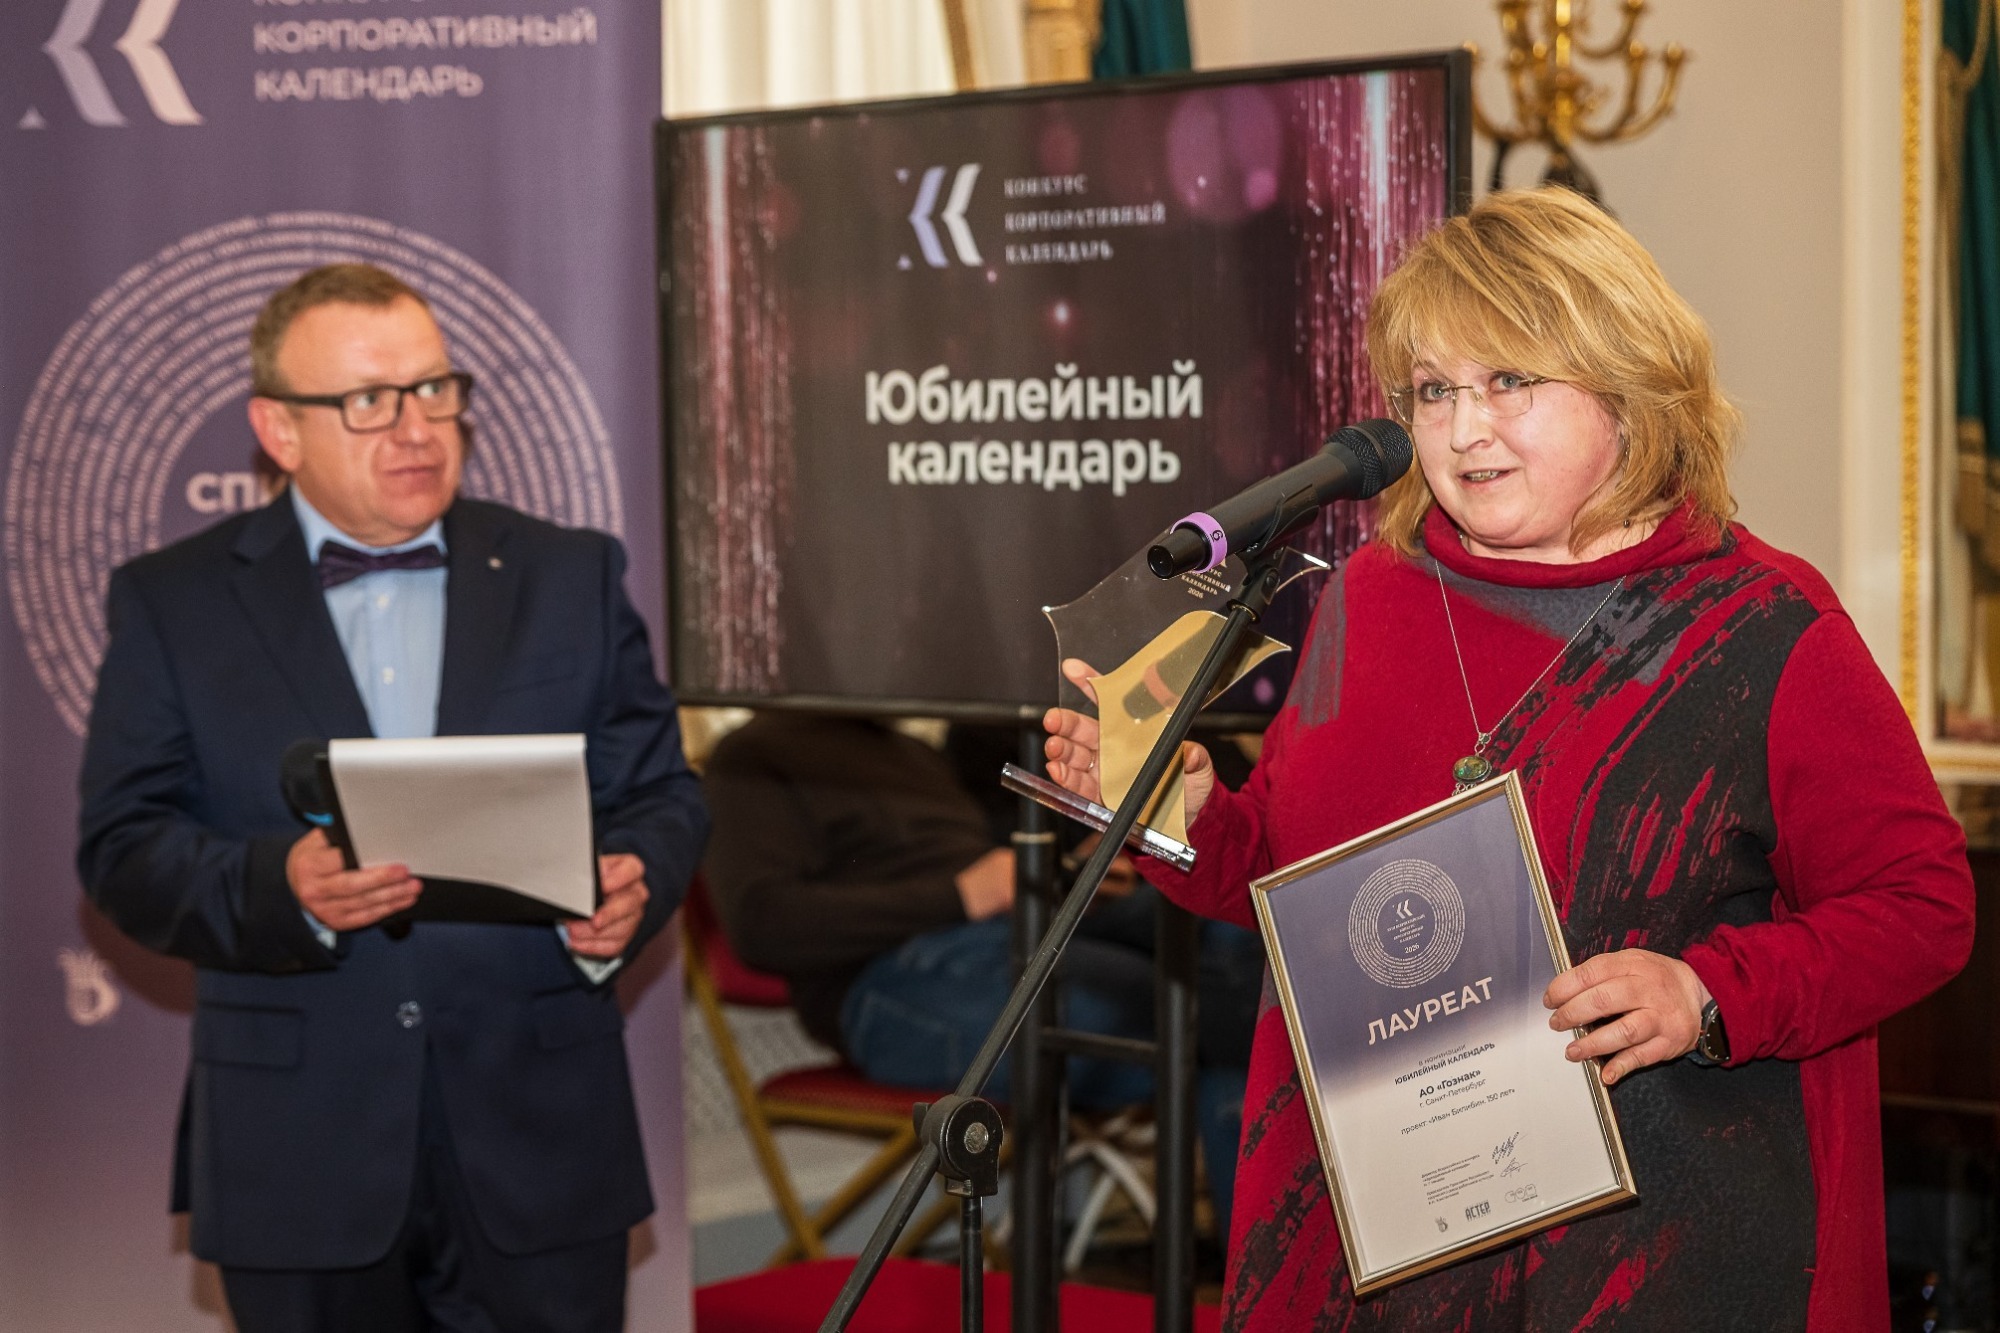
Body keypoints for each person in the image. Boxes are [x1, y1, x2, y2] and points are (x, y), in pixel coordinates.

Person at [1042, 188, 1977, 1329]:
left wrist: (1705, 990)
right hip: (1380, 1248)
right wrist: (1185, 816)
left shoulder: (1761, 623)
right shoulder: (1369, 599)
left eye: (1509, 381)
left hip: (1656, 1251)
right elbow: (1310, 900)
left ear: (1630, 387)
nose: (1462, 429)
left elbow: (1922, 905)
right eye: (1433, 390)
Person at [76, 263, 707, 1333]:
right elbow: (122, 847)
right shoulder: (173, 601)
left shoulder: (570, 574)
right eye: (369, 401)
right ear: (278, 430)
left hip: (542, 1140)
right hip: (298, 1147)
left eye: (435, 389)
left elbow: (662, 794)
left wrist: (636, 877)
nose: (416, 429)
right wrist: (281, 887)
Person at [701, 710, 1262, 1231]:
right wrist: (963, 895)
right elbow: (759, 923)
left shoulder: (916, 753)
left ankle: (1255, 1262)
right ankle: (1270, 1044)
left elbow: (988, 868)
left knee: (1232, 936)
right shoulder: (751, 752)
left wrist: (1066, 874)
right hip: (888, 979)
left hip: (1014, 932)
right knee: (1192, 1015)